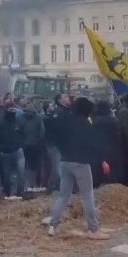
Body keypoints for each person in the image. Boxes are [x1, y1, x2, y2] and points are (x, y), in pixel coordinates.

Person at [46, 98, 109, 240]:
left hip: (65, 161)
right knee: (87, 196)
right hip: (81, 163)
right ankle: (93, 229)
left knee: (63, 196)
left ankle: (52, 226)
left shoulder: (64, 120)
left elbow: (54, 134)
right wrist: (101, 160)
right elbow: (94, 144)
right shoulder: (86, 124)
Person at [0, 103, 26, 200]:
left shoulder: (18, 122)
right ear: (6, 110)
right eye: (10, 110)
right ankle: (7, 193)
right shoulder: (0, 123)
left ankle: (20, 192)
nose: (13, 112)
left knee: (21, 172)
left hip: (18, 150)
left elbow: (23, 134)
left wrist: (21, 145)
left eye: (14, 110)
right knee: (7, 174)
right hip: (6, 152)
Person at [43, 93, 71, 192]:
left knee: (57, 167)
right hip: (56, 144)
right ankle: (63, 189)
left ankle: (50, 187)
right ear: (59, 101)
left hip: (60, 144)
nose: (68, 99)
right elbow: (58, 129)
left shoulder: (67, 112)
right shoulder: (58, 113)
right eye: (66, 97)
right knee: (58, 168)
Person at [92, 101, 122, 187]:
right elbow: (118, 135)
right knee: (113, 169)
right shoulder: (114, 120)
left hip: (101, 148)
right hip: (113, 148)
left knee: (101, 170)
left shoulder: (96, 121)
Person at [20, 102, 46, 192]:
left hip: (25, 145)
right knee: (36, 165)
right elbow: (42, 132)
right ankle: (34, 183)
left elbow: (19, 131)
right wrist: (38, 141)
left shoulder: (22, 118)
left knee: (25, 165)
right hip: (36, 145)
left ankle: (26, 184)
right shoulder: (38, 118)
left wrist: (22, 142)